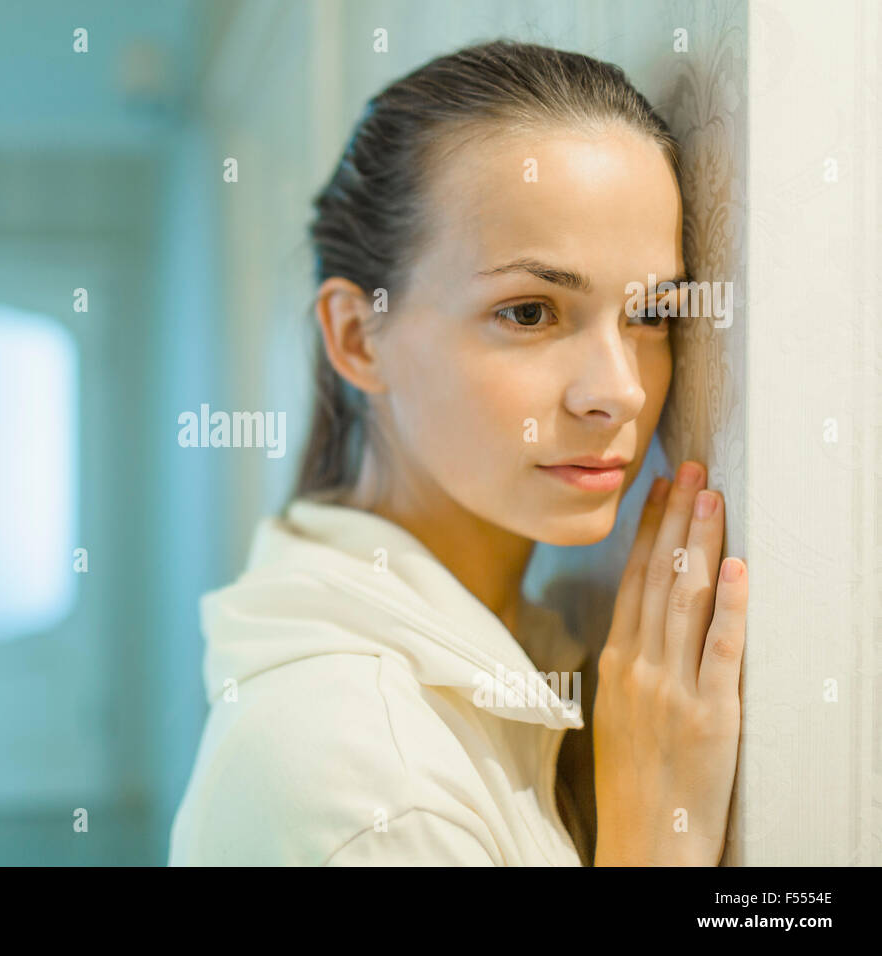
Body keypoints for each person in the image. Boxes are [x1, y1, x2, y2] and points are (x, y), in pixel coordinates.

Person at [168, 39, 748, 866]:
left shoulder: (517, 657)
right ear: (358, 336)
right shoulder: (373, 797)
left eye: (651, 313)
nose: (618, 392)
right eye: (529, 312)